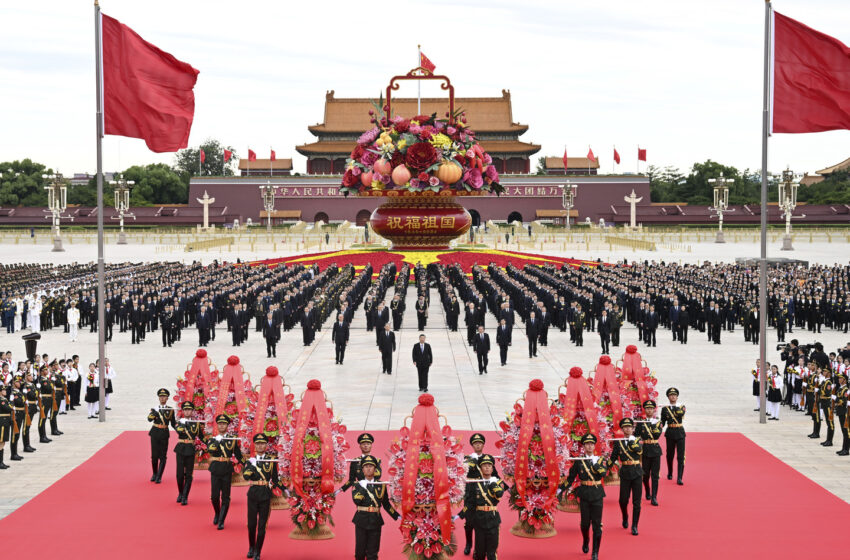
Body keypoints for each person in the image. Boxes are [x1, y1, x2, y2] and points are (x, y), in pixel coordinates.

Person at [559, 434, 610, 560]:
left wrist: (596, 465)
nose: (589, 446)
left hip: (597, 493)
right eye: (587, 444)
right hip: (585, 494)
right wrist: (560, 489)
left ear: (594, 446)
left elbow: (604, 473)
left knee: (597, 525)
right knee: (585, 524)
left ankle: (595, 552)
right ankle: (586, 540)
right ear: (584, 446)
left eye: (592, 444)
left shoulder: (600, 459)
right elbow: (570, 478)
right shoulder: (579, 461)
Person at [457, 454, 505, 560]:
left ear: (492, 468)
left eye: (489, 465)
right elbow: (470, 503)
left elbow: (499, 494)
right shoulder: (475, 484)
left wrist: (492, 484)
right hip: (479, 520)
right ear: (480, 468)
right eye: (484, 465)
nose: (487, 467)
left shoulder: (496, 482)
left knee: (492, 554)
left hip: (493, 519)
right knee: (480, 553)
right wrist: (460, 515)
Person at [351, 454, 399, 560]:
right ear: (362, 469)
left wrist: (397, 516)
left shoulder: (381, 485)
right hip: (361, 519)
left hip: (376, 520)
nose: (368, 468)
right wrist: (363, 487)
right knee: (360, 552)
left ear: (375, 468)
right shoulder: (357, 484)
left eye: (371, 466)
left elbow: (386, 504)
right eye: (366, 466)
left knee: (373, 553)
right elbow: (357, 501)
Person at [243, 433, 280, 560]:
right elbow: (246, 476)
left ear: (266, 445)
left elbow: (275, 479)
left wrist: (286, 491)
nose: (260, 446)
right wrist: (252, 465)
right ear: (255, 445)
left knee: (262, 525)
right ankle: (251, 547)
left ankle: (258, 551)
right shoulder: (250, 461)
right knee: (251, 524)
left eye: (262, 443)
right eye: (258, 444)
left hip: (265, 494)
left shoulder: (271, 460)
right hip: (253, 494)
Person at [207, 414, 243, 529]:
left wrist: (247, 464)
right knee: (214, 497)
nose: (222, 425)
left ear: (227, 425)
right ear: (217, 426)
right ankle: (217, 513)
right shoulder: (213, 439)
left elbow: (238, 455)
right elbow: (211, 450)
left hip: (227, 469)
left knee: (226, 497)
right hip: (216, 469)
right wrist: (217, 441)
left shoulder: (232, 440)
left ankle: (222, 520)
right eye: (220, 424)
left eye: (224, 424)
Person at [610, 418, 643, 535]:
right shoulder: (618, 443)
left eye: (630, 427)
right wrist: (604, 469)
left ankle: (634, 525)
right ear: (622, 429)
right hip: (625, 473)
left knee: (636, 502)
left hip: (637, 473)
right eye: (625, 427)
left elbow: (639, 451)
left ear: (633, 429)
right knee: (623, 500)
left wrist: (632, 442)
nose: (628, 429)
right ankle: (625, 516)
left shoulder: (636, 440)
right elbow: (613, 458)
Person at [173, 401, 202, 505]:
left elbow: (201, 436)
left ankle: (185, 496)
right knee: (179, 474)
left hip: (190, 449)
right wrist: (184, 423)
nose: (187, 411)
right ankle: (180, 493)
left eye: (189, 409)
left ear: (192, 411)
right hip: (181, 448)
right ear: (183, 411)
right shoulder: (179, 422)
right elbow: (179, 430)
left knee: (189, 475)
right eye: (185, 409)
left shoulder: (196, 424)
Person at [636, 400, 663, 506]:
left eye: (651, 408)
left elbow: (657, 435)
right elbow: (637, 436)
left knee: (655, 475)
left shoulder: (658, 422)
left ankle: (654, 496)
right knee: (645, 475)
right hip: (645, 450)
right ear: (645, 410)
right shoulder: (640, 422)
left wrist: (650, 425)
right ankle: (647, 491)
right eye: (647, 408)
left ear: (654, 410)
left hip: (655, 450)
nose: (649, 410)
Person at [147, 388, 175, 484]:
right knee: (154, 456)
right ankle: (154, 473)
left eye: (164, 397)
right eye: (161, 396)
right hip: (155, 432)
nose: (162, 398)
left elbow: (173, 424)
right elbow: (149, 419)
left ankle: (159, 476)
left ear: (167, 398)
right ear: (159, 398)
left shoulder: (170, 410)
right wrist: (154, 412)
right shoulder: (155, 409)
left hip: (164, 433)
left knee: (163, 456)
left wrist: (181, 430)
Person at [661, 387, 686, 485]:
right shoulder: (664, 409)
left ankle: (680, 477)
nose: (673, 396)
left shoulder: (681, 406)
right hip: (670, 432)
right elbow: (662, 422)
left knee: (681, 456)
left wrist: (674, 406)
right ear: (668, 397)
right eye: (671, 395)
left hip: (680, 432)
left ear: (677, 397)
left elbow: (681, 414)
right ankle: (670, 472)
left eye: (674, 395)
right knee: (669, 455)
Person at [8, 374, 27, 460]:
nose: (19, 383)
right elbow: (17, 402)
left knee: (17, 434)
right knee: (14, 434)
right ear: (14, 383)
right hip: (16, 414)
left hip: (21, 413)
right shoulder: (13, 393)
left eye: (19, 382)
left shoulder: (19, 392)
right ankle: (13, 454)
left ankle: (15, 453)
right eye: (17, 382)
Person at [834, 374, 849, 456]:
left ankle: (846, 449)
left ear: (845, 380)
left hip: (844, 412)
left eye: (841, 378)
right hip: (840, 412)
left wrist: (835, 399)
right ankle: (844, 448)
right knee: (843, 431)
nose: (839, 379)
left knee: (846, 431)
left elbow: (843, 401)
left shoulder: (846, 390)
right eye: (839, 378)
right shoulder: (841, 388)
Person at [0, 386, 11, 468]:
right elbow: (7, 408)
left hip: (5, 422)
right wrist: (12, 404)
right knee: (1, 442)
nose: (5, 391)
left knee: (2, 442)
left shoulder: (4, 399)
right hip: (2, 422)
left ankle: (1, 462)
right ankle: (0, 463)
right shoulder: (2, 400)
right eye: (3, 390)